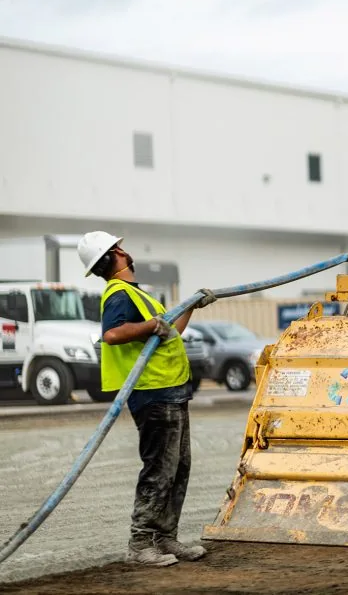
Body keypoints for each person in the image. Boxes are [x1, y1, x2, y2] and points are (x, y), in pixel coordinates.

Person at [77, 231, 215, 566]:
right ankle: (140, 543)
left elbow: (172, 330)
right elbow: (112, 334)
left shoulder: (139, 296)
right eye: (117, 249)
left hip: (171, 389)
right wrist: (151, 326)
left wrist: (192, 305)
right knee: (159, 469)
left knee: (178, 468)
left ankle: (165, 538)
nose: (124, 251)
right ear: (111, 259)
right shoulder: (119, 294)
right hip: (153, 393)